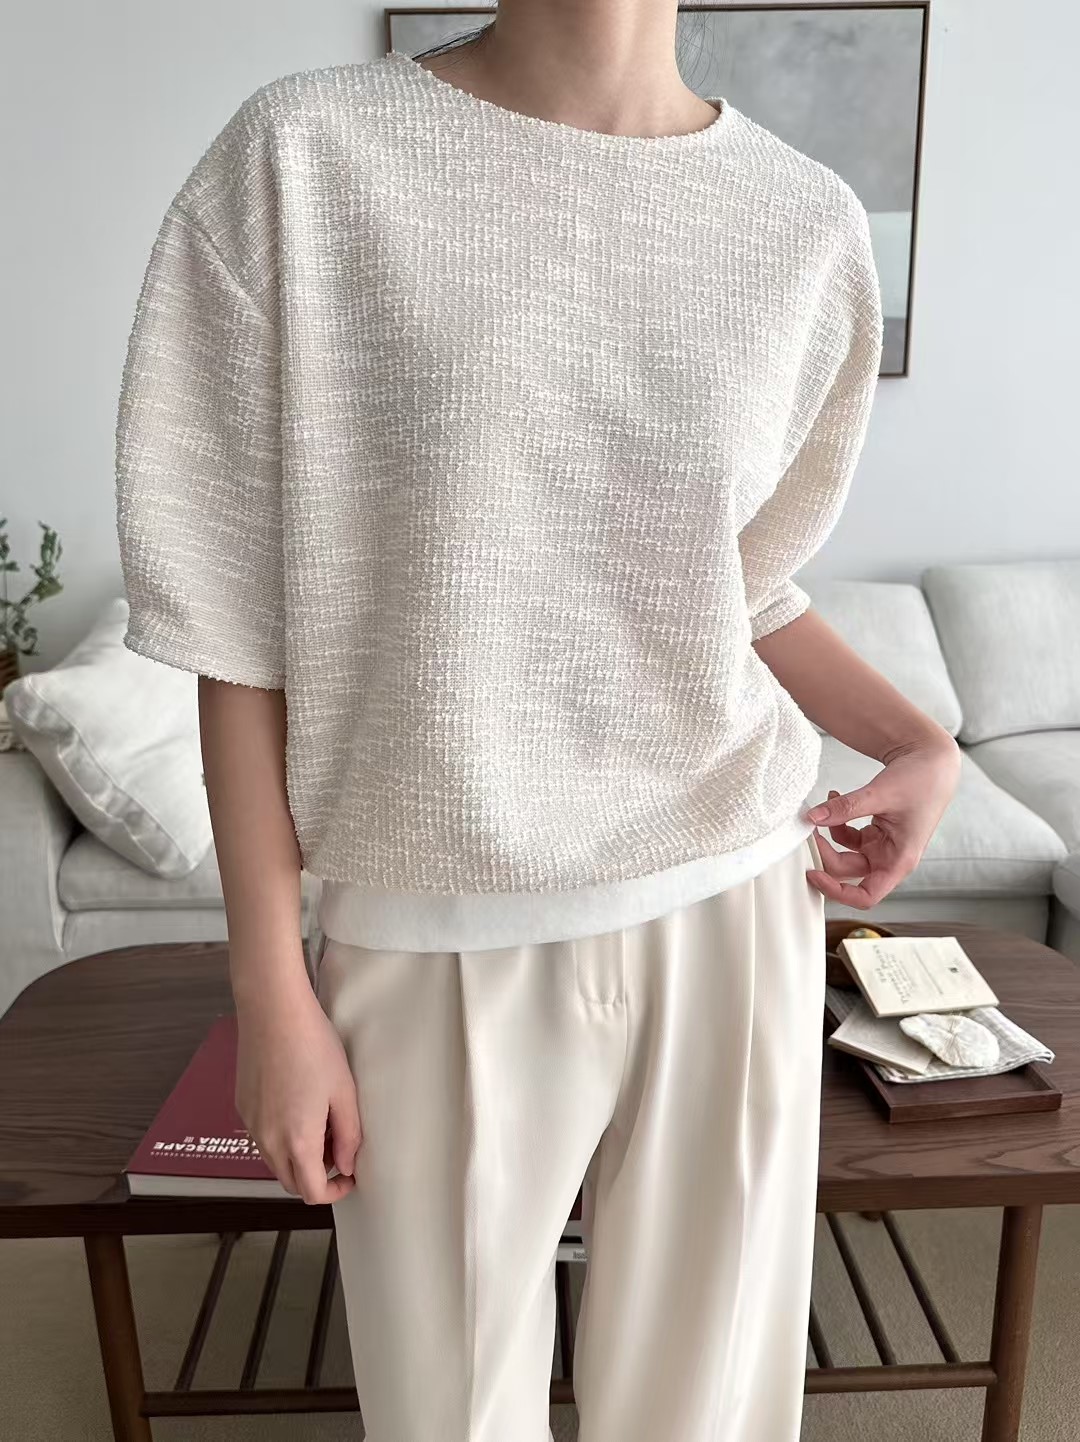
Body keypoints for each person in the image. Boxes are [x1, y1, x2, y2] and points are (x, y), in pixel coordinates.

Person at [113, 6, 961, 1440]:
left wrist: (917, 738)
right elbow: (230, 623)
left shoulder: (802, 220)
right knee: (443, 1416)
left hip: (734, 901)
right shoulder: (307, 157)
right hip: (434, 922)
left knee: (708, 1413)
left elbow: (736, 581)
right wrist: (270, 989)